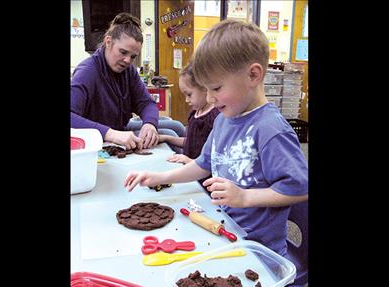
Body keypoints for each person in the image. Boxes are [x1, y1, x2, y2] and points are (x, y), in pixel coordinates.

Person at [124, 19, 308, 256]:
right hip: (223, 232)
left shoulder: (270, 130)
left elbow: (299, 189)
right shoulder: (224, 119)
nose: (210, 98)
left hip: (257, 252)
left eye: (217, 88)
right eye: (207, 89)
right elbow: (203, 164)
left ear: (253, 75)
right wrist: (160, 176)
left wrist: (245, 197)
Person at [71, 13, 159, 150]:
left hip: (120, 131)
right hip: (98, 140)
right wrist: (110, 134)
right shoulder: (87, 72)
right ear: (108, 42)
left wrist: (150, 124)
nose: (128, 61)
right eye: (123, 52)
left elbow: (146, 103)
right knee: (170, 133)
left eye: (133, 56)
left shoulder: (128, 71)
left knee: (174, 128)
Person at [158, 60, 219, 164]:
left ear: (205, 88)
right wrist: (167, 138)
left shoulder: (215, 118)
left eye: (189, 94)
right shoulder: (195, 113)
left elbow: (215, 158)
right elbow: (191, 143)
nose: (186, 100)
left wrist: (190, 161)